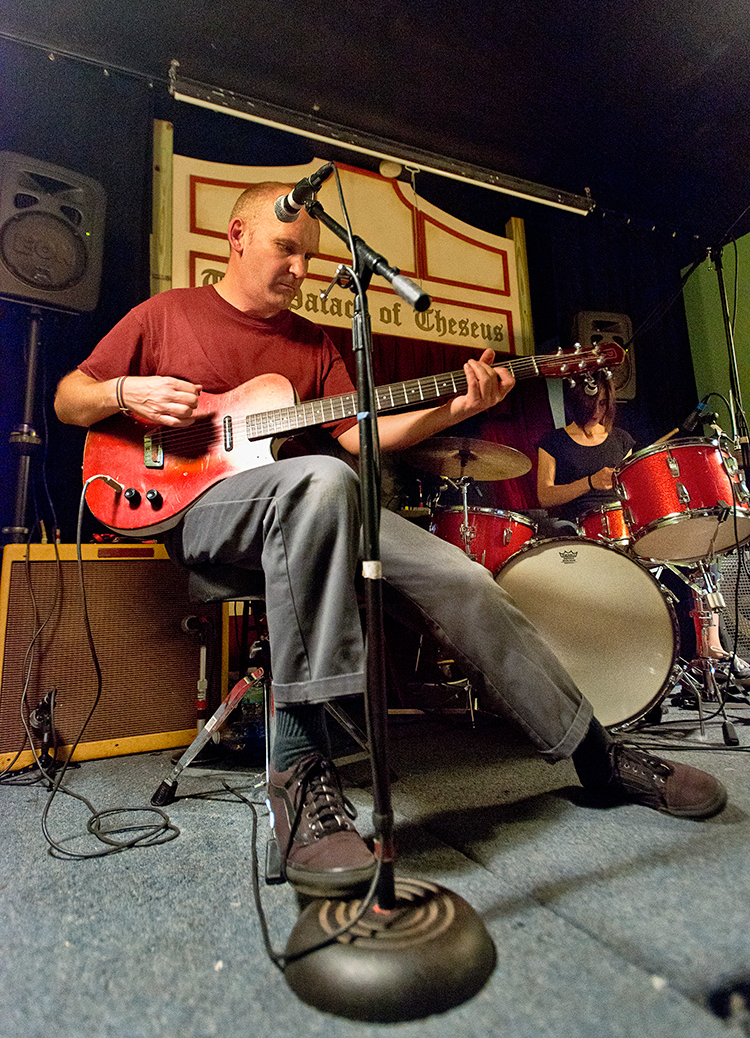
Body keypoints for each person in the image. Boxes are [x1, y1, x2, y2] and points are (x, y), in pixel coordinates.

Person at [55, 182, 727, 900]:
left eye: (310, 257)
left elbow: (363, 439)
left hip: (314, 497)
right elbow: (71, 397)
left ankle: (596, 756)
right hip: (193, 507)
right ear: (239, 236)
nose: (300, 268)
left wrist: (454, 409)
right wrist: (126, 394)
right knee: (318, 478)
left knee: (463, 575)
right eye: (287, 248)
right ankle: (303, 769)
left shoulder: (313, 344)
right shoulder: (168, 313)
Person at [537, 373, 634, 525]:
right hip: (576, 526)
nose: (596, 412)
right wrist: (590, 482)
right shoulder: (553, 441)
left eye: (602, 404)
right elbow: (545, 497)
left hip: (619, 523)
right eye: (590, 404)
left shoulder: (622, 439)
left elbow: (630, 493)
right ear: (576, 402)